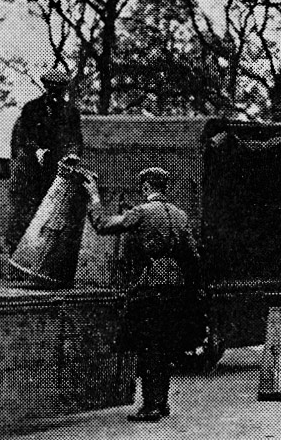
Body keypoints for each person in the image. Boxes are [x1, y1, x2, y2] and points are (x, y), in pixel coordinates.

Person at [82, 166, 201, 422]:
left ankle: (151, 406)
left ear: (146, 187)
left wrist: (93, 196)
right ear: (164, 187)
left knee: (149, 347)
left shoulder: (141, 212)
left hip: (150, 288)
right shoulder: (180, 215)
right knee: (165, 347)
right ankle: (162, 402)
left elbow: (102, 225)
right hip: (175, 287)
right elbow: (193, 255)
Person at [7, 68, 84, 247]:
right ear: (46, 87)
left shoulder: (70, 113)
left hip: (56, 169)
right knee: (23, 212)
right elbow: (22, 138)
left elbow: (75, 140)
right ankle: (16, 254)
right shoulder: (31, 109)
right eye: (51, 88)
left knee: (53, 214)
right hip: (30, 170)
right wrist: (35, 151)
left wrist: (70, 156)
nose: (55, 93)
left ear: (64, 89)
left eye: (59, 89)